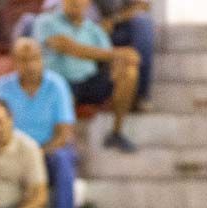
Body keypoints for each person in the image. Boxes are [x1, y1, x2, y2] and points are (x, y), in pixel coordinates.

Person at [0, 37, 79, 208]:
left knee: (63, 159)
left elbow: (64, 132)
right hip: (12, 152)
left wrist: (38, 153)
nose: (30, 65)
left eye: (34, 59)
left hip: (47, 151)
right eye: (23, 60)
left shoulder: (57, 85)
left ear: (42, 59)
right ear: (14, 62)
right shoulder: (2, 87)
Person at [33, 0, 138, 152]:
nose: (75, 1)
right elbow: (69, 47)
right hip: (59, 83)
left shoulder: (93, 29)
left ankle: (116, 133)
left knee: (129, 71)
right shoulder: (46, 21)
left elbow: (110, 57)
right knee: (63, 93)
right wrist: (119, 54)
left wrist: (121, 62)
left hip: (89, 81)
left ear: (88, 3)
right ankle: (64, 144)